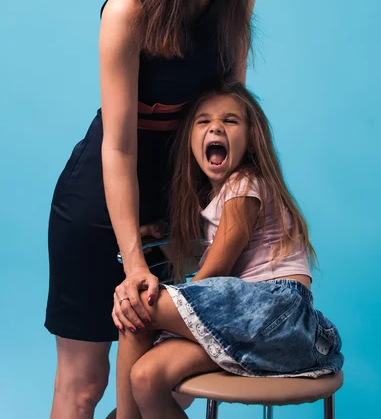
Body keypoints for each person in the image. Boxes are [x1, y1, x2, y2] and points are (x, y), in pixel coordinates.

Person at [45, 0, 262, 418]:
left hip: (176, 199)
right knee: (85, 382)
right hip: (101, 200)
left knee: (156, 382)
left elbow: (228, 106)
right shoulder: (130, 7)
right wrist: (135, 261)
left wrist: (219, 210)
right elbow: (117, 147)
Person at [113, 79, 344, 419]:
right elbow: (208, 271)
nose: (216, 127)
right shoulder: (217, 200)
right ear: (190, 139)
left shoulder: (245, 184)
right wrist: (161, 246)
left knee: (140, 306)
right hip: (254, 332)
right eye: (203, 121)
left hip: (273, 310)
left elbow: (215, 273)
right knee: (148, 377)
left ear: (251, 140)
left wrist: (167, 313)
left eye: (230, 121)